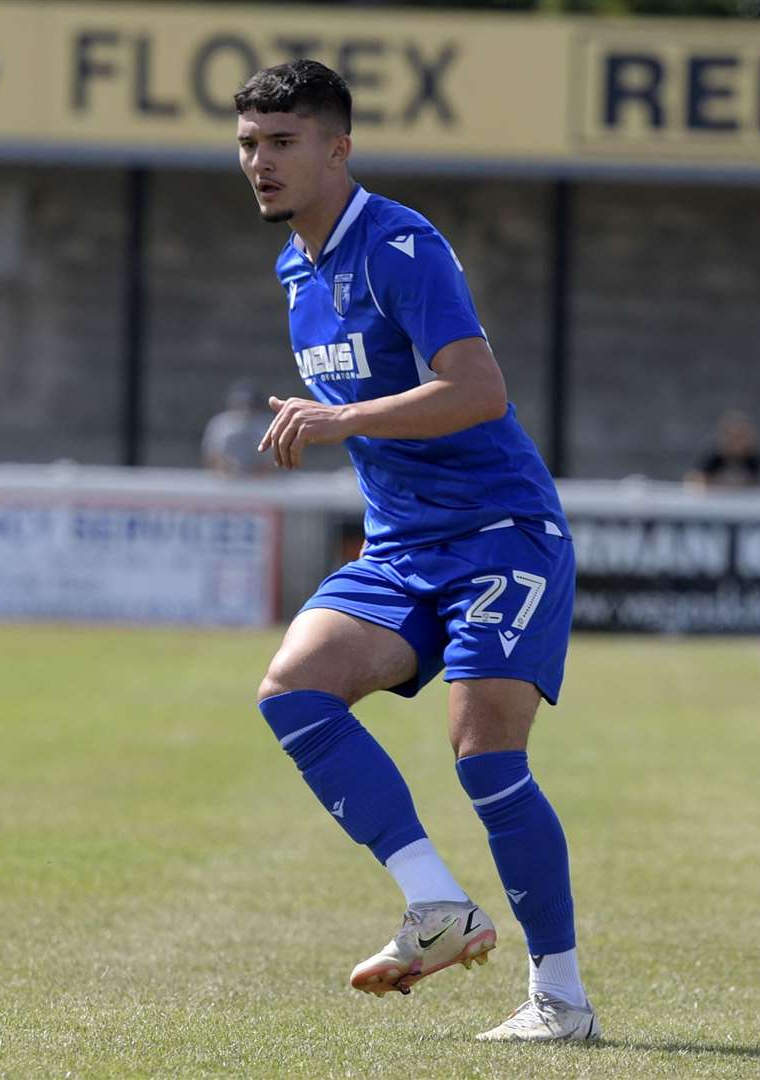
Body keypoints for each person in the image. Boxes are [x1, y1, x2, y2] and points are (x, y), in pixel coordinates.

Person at [235, 61, 597, 1042]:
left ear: (337, 149)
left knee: (483, 752)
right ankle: (437, 906)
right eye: (248, 145)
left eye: (282, 143)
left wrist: (338, 419)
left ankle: (560, 1001)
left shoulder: (400, 244)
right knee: (294, 689)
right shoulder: (293, 269)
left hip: (499, 537)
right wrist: (335, 425)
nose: (259, 163)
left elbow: (480, 391)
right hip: (403, 547)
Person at [201, 380, 273, 475]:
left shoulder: (265, 425)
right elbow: (211, 457)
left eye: (248, 404)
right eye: (239, 403)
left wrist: (250, 472)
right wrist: (229, 468)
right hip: (224, 484)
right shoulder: (219, 424)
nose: (244, 409)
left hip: (259, 485)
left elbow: (271, 462)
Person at [686, 409, 760, 488]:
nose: (737, 443)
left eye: (741, 437)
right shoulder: (714, 458)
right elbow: (694, 479)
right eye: (733, 437)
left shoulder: (755, 460)